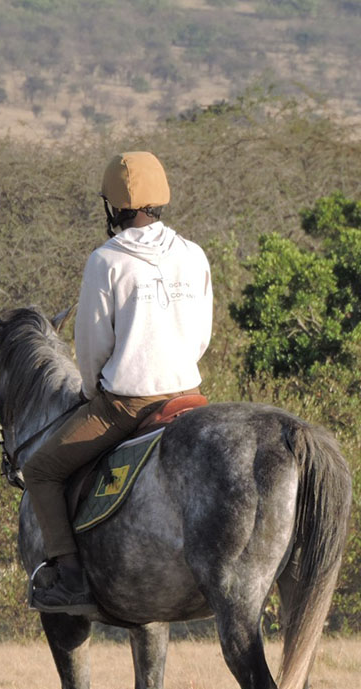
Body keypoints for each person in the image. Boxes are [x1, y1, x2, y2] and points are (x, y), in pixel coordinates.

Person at [23, 151, 213, 615]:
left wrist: (93, 392)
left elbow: (90, 346)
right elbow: (202, 335)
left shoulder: (105, 260)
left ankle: (68, 577)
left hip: (126, 405)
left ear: (112, 206)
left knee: (40, 471)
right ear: (161, 197)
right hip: (188, 397)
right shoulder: (193, 254)